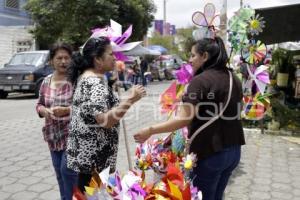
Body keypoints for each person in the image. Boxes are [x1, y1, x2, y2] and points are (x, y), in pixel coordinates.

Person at [134, 36, 245, 200]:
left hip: (210, 152)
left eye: (193, 55)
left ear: (205, 56)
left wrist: (150, 130)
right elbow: (238, 108)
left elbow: (183, 119)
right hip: (234, 150)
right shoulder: (233, 78)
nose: (190, 59)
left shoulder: (200, 81)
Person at [66, 37, 146, 193]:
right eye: (110, 54)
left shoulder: (87, 78)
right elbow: (104, 121)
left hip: (88, 160)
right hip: (94, 164)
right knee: (93, 196)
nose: (115, 57)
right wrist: (130, 99)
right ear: (97, 59)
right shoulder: (95, 83)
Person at [36, 43, 78, 200]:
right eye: (59, 58)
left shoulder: (76, 80)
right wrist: (42, 110)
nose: (63, 61)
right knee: (60, 175)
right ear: (51, 61)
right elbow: (39, 104)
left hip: (73, 135)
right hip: (53, 136)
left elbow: (86, 108)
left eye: (67, 58)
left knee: (68, 171)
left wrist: (67, 110)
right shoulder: (46, 81)